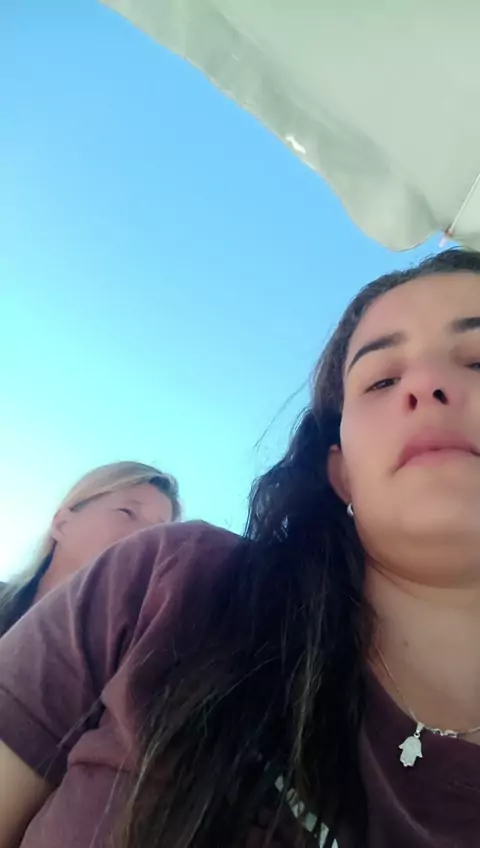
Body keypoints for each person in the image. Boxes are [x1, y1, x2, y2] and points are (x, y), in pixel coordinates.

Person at [1, 248, 480, 848]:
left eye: (478, 359)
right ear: (341, 473)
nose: (427, 385)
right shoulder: (175, 581)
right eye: (381, 379)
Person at [0, 461, 180, 636]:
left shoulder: (136, 651)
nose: (145, 535)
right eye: (127, 512)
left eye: (158, 530)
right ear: (62, 524)